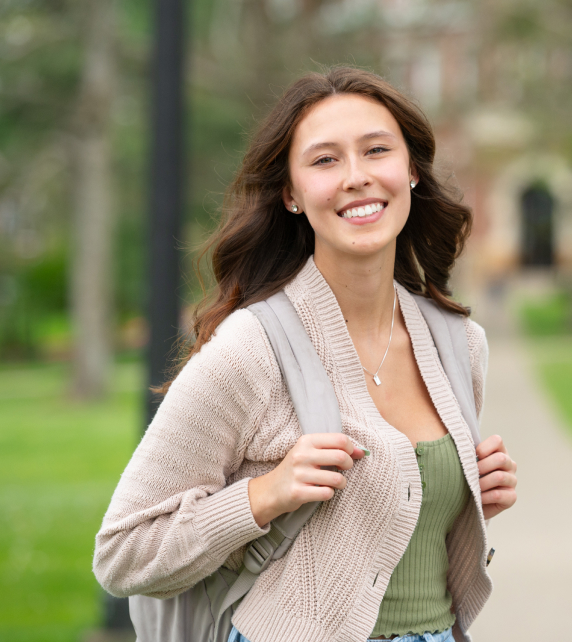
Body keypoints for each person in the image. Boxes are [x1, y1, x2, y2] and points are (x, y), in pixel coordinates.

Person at [93, 67, 518, 642]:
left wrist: (465, 498)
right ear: (291, 194)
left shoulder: (459, 344)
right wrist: (264, 495)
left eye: (376, 151)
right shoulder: (250, 350)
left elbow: (386, 529)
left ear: (411, 171)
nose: (357, 177)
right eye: (325, 161)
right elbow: (122, 553)